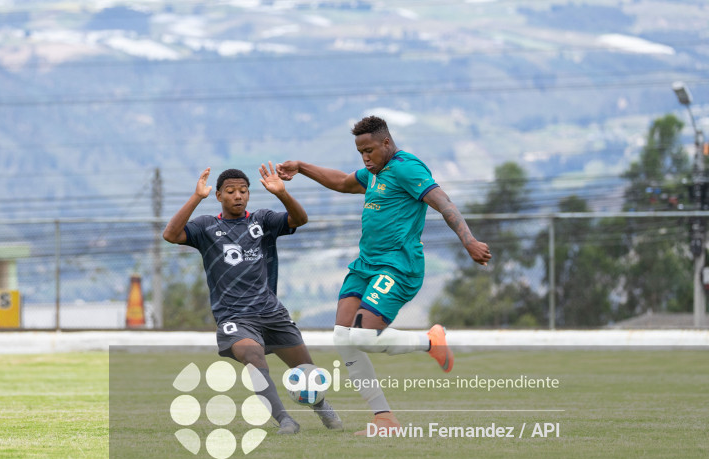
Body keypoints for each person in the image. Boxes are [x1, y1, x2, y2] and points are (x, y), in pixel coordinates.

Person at [277, 116, 492, 435]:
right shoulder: (375, 172)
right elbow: (342, 182)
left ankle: (430, 341)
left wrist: (469, 240)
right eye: (360, 152)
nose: (365, 158)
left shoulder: (407, 168)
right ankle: (384, 419)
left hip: (398, 266)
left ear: (386, 143)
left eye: (369, 151)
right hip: (366, 265)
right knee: (343, 337)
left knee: (364, 337)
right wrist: (301, 167)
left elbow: (443, 202)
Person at [162, 163, 343, 435]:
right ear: (219, 196)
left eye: (243, 190)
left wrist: (282, 193)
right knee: (253, 356)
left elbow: (300, 219)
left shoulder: (262, 220)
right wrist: (196, 197)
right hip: (234, 317)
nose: (238, 196)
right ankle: (285, 420)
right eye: (231, 191)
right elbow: (170, 234)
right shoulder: (206, 226)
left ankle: (321, 406)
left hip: (271, 312)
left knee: (306, 371)